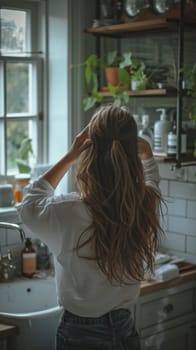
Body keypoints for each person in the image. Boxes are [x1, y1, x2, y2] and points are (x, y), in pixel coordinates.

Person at [17, 104, 164, 350]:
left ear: (89, 153)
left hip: (80, 336)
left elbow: (28, 205)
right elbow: (152, 181)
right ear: (131, 152)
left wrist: (69, 155)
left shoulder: (66, 212)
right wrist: (147, 154)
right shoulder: (142, 205)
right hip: (125, 329)